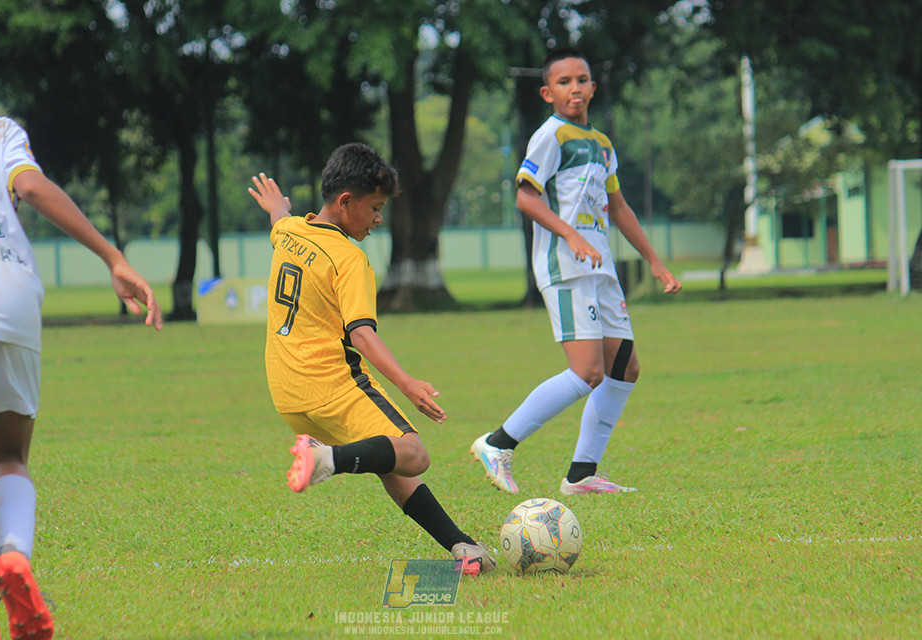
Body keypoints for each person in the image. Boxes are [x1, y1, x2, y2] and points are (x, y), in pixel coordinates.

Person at [0, 9, 163, 640]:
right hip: (10, 296)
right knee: (10, 458)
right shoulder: (0, 130)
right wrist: (112, 255)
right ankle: (15, 556)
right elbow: (31, 186)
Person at [247, 143, 494, 576]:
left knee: (389, 462)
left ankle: (462, 547)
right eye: (375, 208)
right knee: (414, 453)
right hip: (331, 384)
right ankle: (324, 460)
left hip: (287, 392)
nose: (379, 219)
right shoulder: (348, 258)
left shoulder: (289, 232)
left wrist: (275, 206)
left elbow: (278, 222)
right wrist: (408, 383)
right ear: (346, 202)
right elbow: (361, 333)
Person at [471, 47, 681, 496]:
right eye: (564, 82)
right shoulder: (551, 136)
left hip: (599, 267)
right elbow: (526, 198)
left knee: (623, 369)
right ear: (548, 92)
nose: (575, 89)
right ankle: (497, 443)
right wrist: (571, 235)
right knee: (587, 372)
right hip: (565, 266)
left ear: (593, 87)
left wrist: (656, 263)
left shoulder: (602, 144)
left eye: (582, 80)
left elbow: (618, 207)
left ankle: (582, 475)